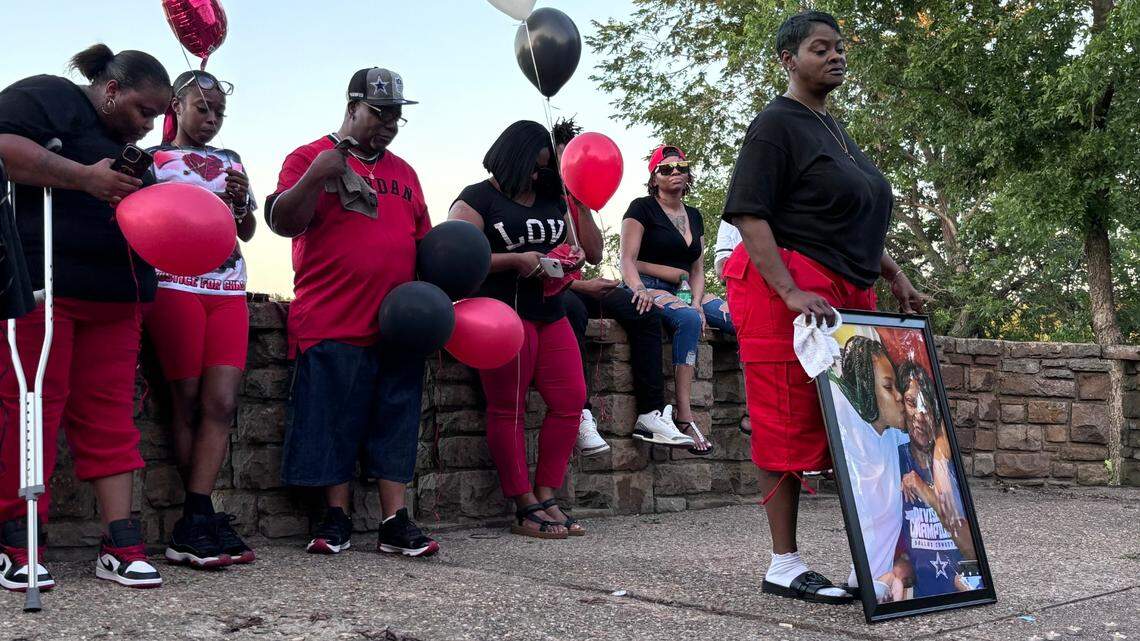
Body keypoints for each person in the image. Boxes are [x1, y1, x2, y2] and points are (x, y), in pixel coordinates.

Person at [721, 10, 927, 604]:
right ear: (788, 59)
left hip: (846, 292)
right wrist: (788, 291)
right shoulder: (776, 126)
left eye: (838, 48)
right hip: (789, 293)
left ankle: (877, 558)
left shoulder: (833, 128)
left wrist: (894, 273)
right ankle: (783, 563)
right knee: (788, 421)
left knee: (862, 427)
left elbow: (848, 217)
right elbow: (749, 212)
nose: (835, 56)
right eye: (820, 48)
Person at [0, 44, 170, 590]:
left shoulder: (128, 149)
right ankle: (19, 540)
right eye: (144, 111)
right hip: (44, 288)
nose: (149, 125)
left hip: (118, 295)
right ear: (112, 90)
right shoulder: (52, 97)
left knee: (110, 414)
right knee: (32, 408)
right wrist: (81, 177)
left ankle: (120, 542)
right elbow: (3, 147)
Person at [267, 68, 438, 558]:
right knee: (330, 421)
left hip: (398, 323)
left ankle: (394, 520)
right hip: (330, 316)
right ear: (352, 107)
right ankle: (334, 516)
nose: (387, 124)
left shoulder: (405, 172)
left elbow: (424, 242)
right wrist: (316, 176)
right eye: (379, 113)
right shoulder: (308, 156)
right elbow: (281, 221)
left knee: (397, 419)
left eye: (396, 116)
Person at [449, 121, 587, 539]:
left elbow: (594, 250)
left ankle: (547, 493)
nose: (537, 175)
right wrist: (513, 260)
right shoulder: (476, 199)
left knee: (570, 400)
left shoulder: (551, 195)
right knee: (507, 407)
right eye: (533, 166)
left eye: (544, 168)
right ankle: (523, 502)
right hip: (502, 316)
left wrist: (579, 203)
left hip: (551, 309)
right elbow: (453, 258)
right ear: (513, 157)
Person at [142, 70, 257, 569]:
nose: (210, 119)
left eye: (218, 112)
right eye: (201, 108)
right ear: (177, 105)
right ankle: (199, 518)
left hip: (228, 286)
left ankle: (196, 514)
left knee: (223, 402)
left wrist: (238, 200)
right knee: (185, 399)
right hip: (174, 285)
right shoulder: (152, 160)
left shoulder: (231, 161)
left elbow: (248, 229)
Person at [618, 145, 734, 455]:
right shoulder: (641, 208)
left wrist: (697, 301)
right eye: (666, 169)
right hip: (648, 286)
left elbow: (697, 268)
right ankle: (684, 414)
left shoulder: (694, 216)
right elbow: (627, 259)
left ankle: (756, 411)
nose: (676, 173)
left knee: (740, 319)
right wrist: (638, 289)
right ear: (653, 178)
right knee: (688, 319)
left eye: (681, 166)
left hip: (685, 289)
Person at [551, 118, 619, 458]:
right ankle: (582, 411)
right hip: (557, 291)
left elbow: (593, 254)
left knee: (640, 309)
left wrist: (582, 204)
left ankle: (654, 413)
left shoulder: (577, 202)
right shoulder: (540, 199)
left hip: (582, 284)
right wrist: (584, 288)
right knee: (573, 309)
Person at [826, 337, 908, 604]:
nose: (898, 396)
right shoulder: (853, 435)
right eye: (888, 387)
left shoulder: (896, 440)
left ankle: (869, 577)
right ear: (865, 390)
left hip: (884, 577)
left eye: (898, 386)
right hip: (875, 580)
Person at [896, 361, 979, 598]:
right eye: (912, 403)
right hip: (920, 600)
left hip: (959, 595)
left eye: (927, 406)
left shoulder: (946, 466)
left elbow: (972, 550)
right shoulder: (896, 458)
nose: (920, 416)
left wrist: (926, 491)